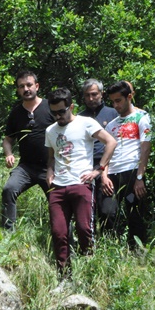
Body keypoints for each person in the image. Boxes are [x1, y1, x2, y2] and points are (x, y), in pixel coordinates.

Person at [45, 88, 117, 277]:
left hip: (81, 184)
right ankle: (64, 276)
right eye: (54, 113)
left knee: (85, 229)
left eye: (61, 111)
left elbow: (111, 142)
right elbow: (51, 157)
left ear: (71, 107)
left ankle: (88, 272)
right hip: (58, 187)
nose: (58, 116)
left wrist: (99, 169)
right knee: (59, 233)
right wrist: (50, 171)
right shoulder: (50, 130)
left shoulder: (86, 123)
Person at [1, 70, 56, 230]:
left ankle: (63, 235)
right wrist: (9, 154)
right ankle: (8, 233)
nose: (26, 89)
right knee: (9, 189)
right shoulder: (16, 113)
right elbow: (8, 139)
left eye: (29, 85)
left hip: (50, 167)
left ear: (37, 86)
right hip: (26, 167)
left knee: (57, 198)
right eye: (21, 86)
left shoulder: (50, 107)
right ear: (18, 90)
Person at [101, 80, 152, 247]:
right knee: (107, 211)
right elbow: (106, 153)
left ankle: (137, 250)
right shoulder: (111, 126)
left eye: (119, 100)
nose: (115, 105)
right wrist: (104, 176)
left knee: (134, 212)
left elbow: (145, 149)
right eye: (112, 102)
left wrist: (139, 177)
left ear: (129, 97)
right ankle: (110, 248)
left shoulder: (142, 118)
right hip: (112, 176)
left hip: (131, 173)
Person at [78, 78, 119, 228]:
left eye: (94, 94)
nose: (91, 98)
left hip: (109, 164)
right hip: (86, 165)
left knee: (108, 210)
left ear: (101, 94)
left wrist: (103, 170)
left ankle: (111, 237)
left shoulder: (113, 113)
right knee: (87, 209)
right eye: (87, 95)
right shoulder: (79, 118)